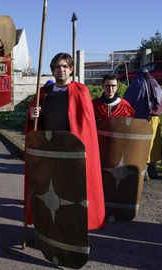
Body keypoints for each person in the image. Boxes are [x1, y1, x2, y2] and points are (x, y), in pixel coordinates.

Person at [26, 52, 105, 230]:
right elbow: (32, 123)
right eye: (57, 66)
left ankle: (70, 231)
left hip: (69, 152)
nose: (61, 69)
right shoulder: (43, 93)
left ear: (70, 69)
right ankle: (47, 231)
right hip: (47, 151)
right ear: (52, 70)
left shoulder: (79, 90)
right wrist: (32, 116)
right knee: (46, 192)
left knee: (69, 194)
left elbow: (85, 125)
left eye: (64, 66)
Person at [123, 68, 162, 179]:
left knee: (143, 143)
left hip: (142, 119)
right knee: (153, 143)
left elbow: (127, 101)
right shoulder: (155, 82)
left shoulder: (137, 83)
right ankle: (153, 169)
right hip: (155, 118)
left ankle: (143, 171)